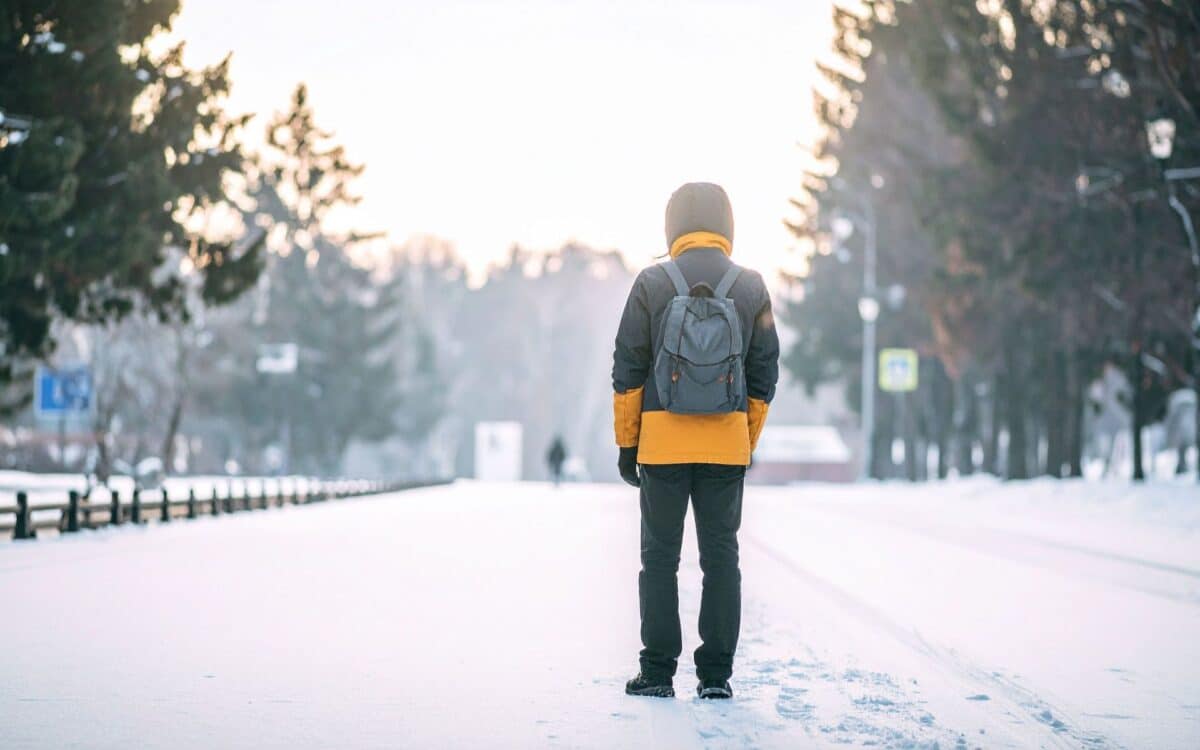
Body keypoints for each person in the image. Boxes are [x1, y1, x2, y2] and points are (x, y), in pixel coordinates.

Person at [612, 182, 779, 700]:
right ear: (727, 224)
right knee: (721, 558)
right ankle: (715, 678)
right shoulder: (749, 287)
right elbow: (764, 374)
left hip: (661, 444)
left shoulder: (651, 282)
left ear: (673, 225)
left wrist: (628, 443)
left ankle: (658, 672)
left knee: (659, 559)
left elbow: (628, 370)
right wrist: (742, 439)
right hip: (724, 447)